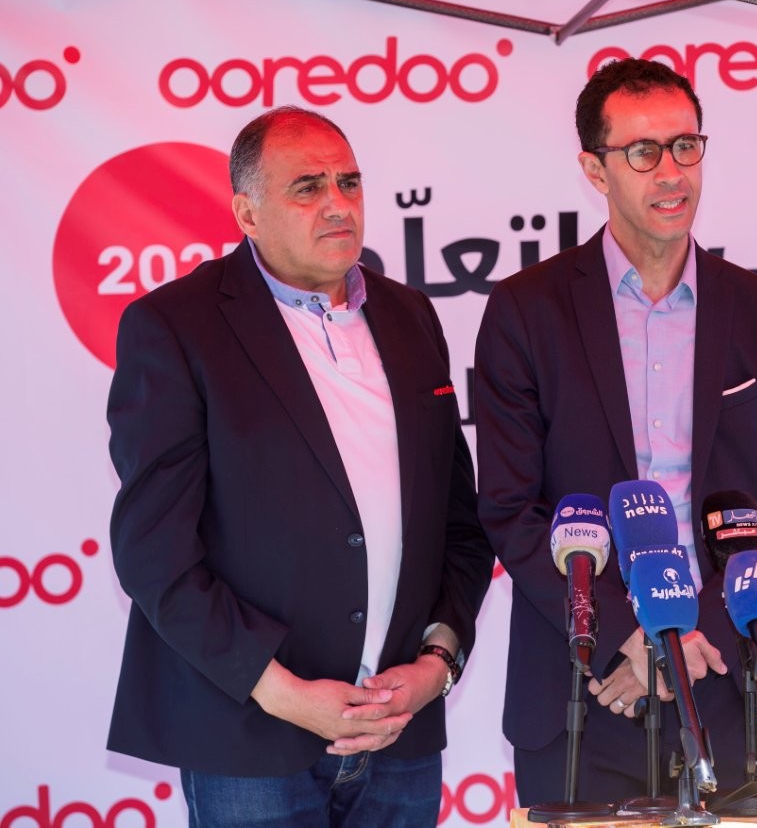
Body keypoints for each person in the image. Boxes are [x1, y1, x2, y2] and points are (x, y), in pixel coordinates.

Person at [106, 105, 493, 826]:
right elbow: (153, 552)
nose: (338, 204)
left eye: (349, 182)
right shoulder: (177, 326)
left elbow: (458, 524)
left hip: (399, 733)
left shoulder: (411, 316)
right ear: (247, 214)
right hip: (250, 736)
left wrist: (435, 666)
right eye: (308, 188)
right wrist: (282, 692)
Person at [474, 58, 757, 806]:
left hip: (725, 677)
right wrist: (628, 637)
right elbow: (510, 507)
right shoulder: (526, 311)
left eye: (685, 146)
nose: (671, 172)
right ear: (593, 170)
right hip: (585, 687)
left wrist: (697, 634)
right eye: (642, 152)